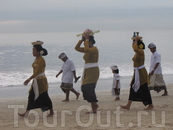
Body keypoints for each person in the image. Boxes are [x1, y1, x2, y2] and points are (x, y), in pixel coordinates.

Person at [18, 41, 54, 118]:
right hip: (36, 81)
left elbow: (37, 71)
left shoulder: (41, 60)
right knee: (31, 96)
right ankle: (26, 113)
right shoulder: (36, 59)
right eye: (32, 50)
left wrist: (29, 79)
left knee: (45, 96)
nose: (32, 52)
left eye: (34, 50)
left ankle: (52, 112)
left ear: (38, 52)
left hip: (41, 81)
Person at [121, 32, 154, 110]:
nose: (133, 44)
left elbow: (135, 48)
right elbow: (134, 47)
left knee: (144, 88)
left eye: (135, 43)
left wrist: (136, 40)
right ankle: (128, 105)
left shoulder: (140, 52)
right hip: (137, 73)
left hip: (141, 73)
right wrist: (134, 40)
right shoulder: (137, 53)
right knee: (133, 87)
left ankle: (150, 105)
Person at [75, 29, 100, 114]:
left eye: (87, 42)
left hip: (93, 71)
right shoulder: (87, 48)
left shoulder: (94, 49)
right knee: (89, 89)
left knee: (86, 88)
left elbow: (86, 49)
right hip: (87, 71)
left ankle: (94, 105)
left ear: (91, 42)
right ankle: (94, 106)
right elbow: (76, 48)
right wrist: (82, 40)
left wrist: (86, 39)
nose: (85, 44)